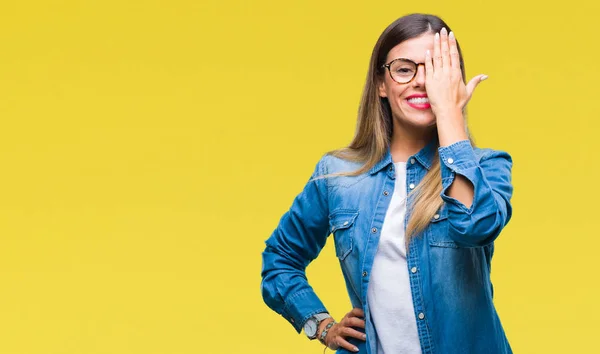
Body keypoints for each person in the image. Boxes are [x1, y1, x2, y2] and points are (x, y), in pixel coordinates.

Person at [260, 13, 514, 354]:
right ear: (382, 83)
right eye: (405, 69)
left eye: (436, 69)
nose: (422, 82)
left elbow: (475, 226)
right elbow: (280, 259)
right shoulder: (337, 176)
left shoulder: (486, 166)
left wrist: (449, 114)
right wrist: (322, 326)